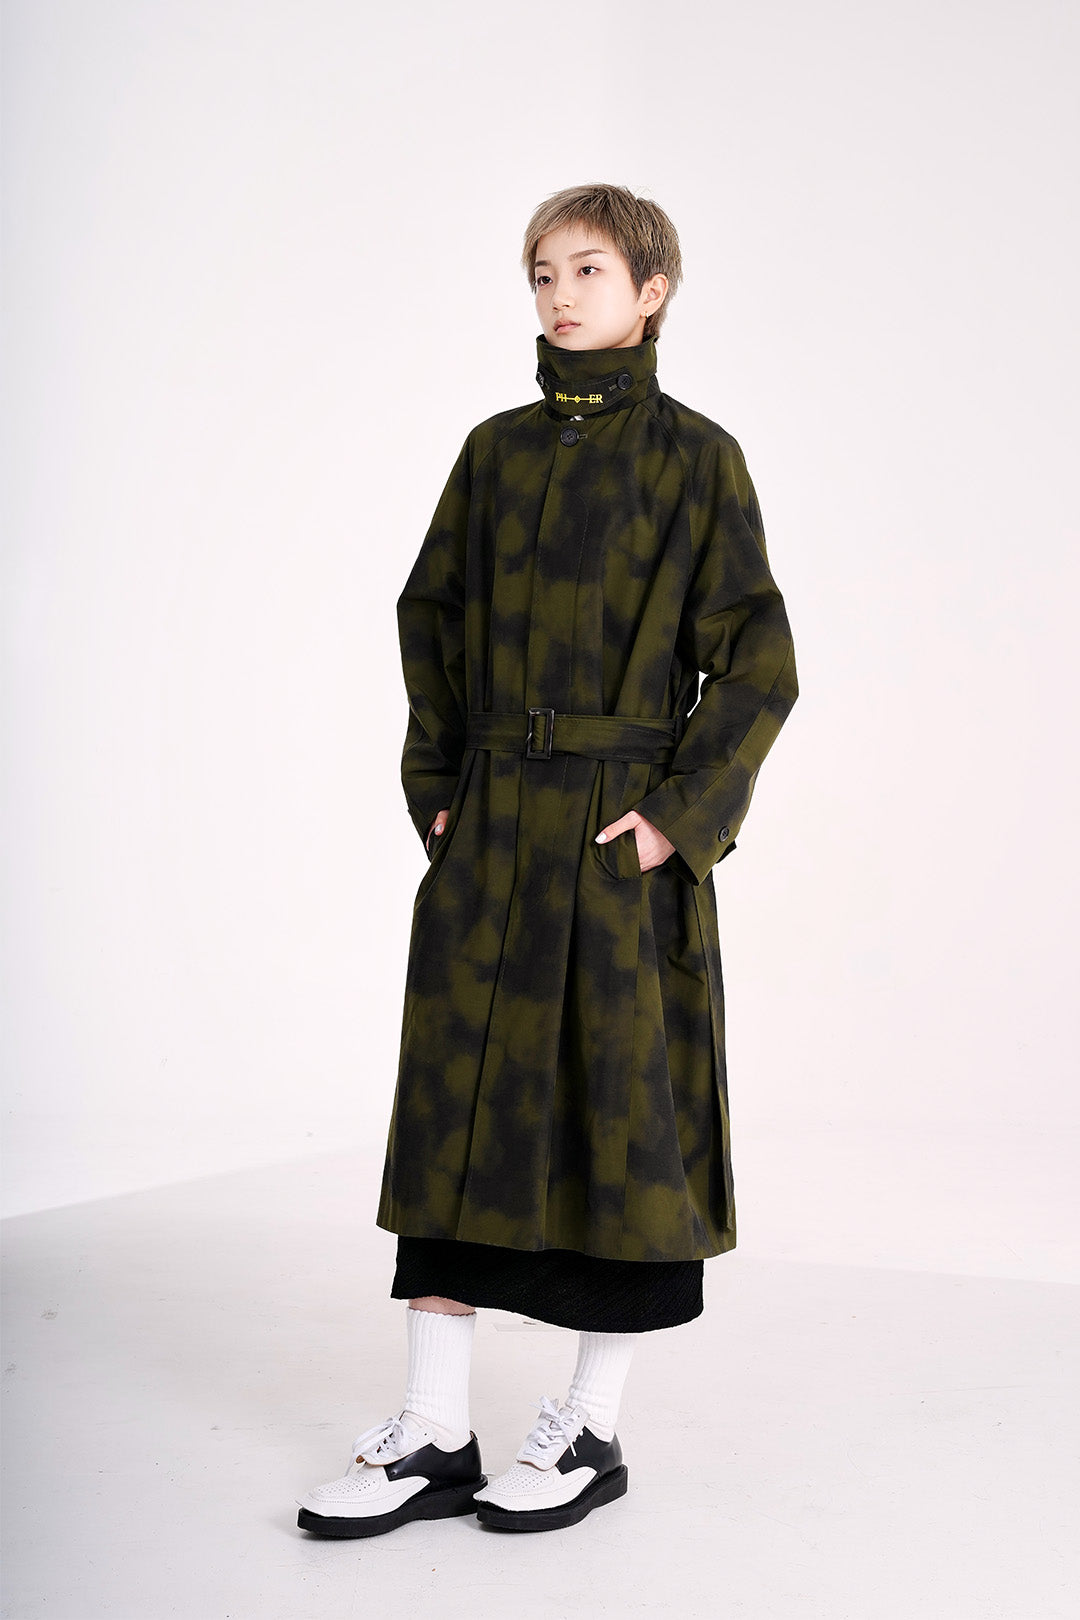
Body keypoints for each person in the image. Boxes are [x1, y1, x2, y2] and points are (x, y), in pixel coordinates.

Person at [297, 182, 798, 1538]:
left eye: (587, 270)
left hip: (614, 840)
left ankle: (589, 1426)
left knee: (616, 1121)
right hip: (492, 833)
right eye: (540, 273)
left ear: (652, 291)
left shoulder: (698, 461)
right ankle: (434, 1431)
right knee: (453, 1115)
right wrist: (440, 794)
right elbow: (431, 620)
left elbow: (758, 661)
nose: (559, 294)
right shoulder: (494, 454)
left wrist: (677, 819)